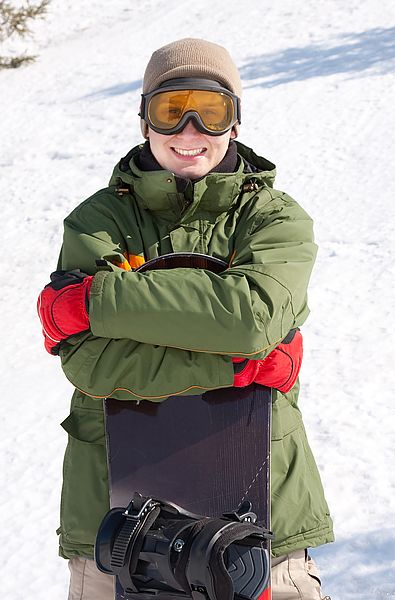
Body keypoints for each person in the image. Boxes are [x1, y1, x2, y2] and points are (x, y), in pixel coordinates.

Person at [37, 38, 334, 600]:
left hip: (262, 513)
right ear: (145, 119)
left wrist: (98, 300)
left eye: (211, 111)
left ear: (235, 122)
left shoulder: (275, 219)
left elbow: (249, 319)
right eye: (171, 111)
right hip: (113, 521)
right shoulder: (99, 219)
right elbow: (93, 365)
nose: (189, 132)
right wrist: (240, 364)